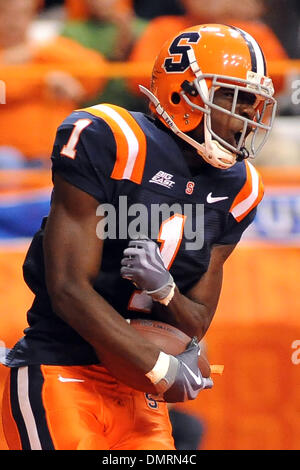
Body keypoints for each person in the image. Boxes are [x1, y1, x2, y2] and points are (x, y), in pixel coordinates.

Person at [1, 24, 277, 450]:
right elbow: (68, 288)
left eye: (253, 103)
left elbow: (197, 321)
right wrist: (155, 363)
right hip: (62, 368)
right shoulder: (113, 139)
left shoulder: (240, 187)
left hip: (139, 392)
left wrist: (167, 292)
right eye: (231, 97)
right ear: (180, 93)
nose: (245, 117)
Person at [0, 0, 107, 164]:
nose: (13, 20)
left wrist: (35, 51)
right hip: (10, 158)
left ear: (33, 15)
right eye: (5, 12)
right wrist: (44, 80)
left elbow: (96, 71)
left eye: (23, 13)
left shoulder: (49, 50)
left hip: (54, 155)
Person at [127, 0, 288, 97]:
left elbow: (279, 80)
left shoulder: (254, 31)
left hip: (248, 126)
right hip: (175, 123)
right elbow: (137, 79)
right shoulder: (163, 28)